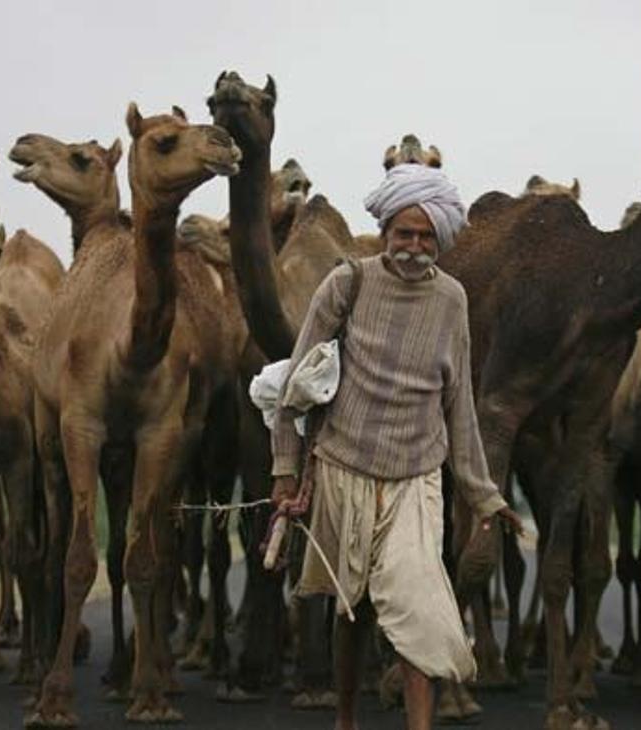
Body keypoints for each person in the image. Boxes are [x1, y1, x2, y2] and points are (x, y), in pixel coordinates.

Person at [270, 163, 522, 730]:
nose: (413, 245)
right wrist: (284, 467)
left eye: (426, 235)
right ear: (385, 231)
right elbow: (297, 380)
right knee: (353, 612)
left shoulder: (452, 299)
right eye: (404, 233)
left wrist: (484, 494)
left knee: (418, 615)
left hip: (416, 477)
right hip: (345, 468)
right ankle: (346, 718)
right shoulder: (347, 283)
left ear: (441, 239)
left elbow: (459, 402)